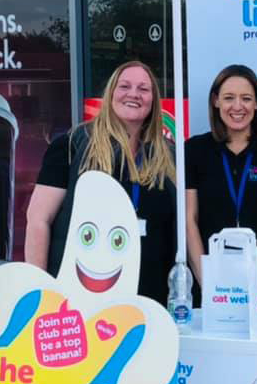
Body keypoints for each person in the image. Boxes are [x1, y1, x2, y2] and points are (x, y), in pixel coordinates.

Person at [25, 60, 176, 305]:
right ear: (111, 94)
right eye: (125, 86)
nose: (134, 94)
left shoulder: (168, 155)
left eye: (143, 89)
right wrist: (39, 294)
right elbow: (38, 220)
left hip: (149, 298)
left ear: (153, 100)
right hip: (83, 294)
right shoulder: (72, 145)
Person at [185, 64, 257, 284]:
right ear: (216, 101)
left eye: (246, 98)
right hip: (208, 279)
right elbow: (190, 220)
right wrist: (208, 283)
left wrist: (254, 277)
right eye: (228, 98)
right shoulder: (195, 150)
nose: (238, 106)